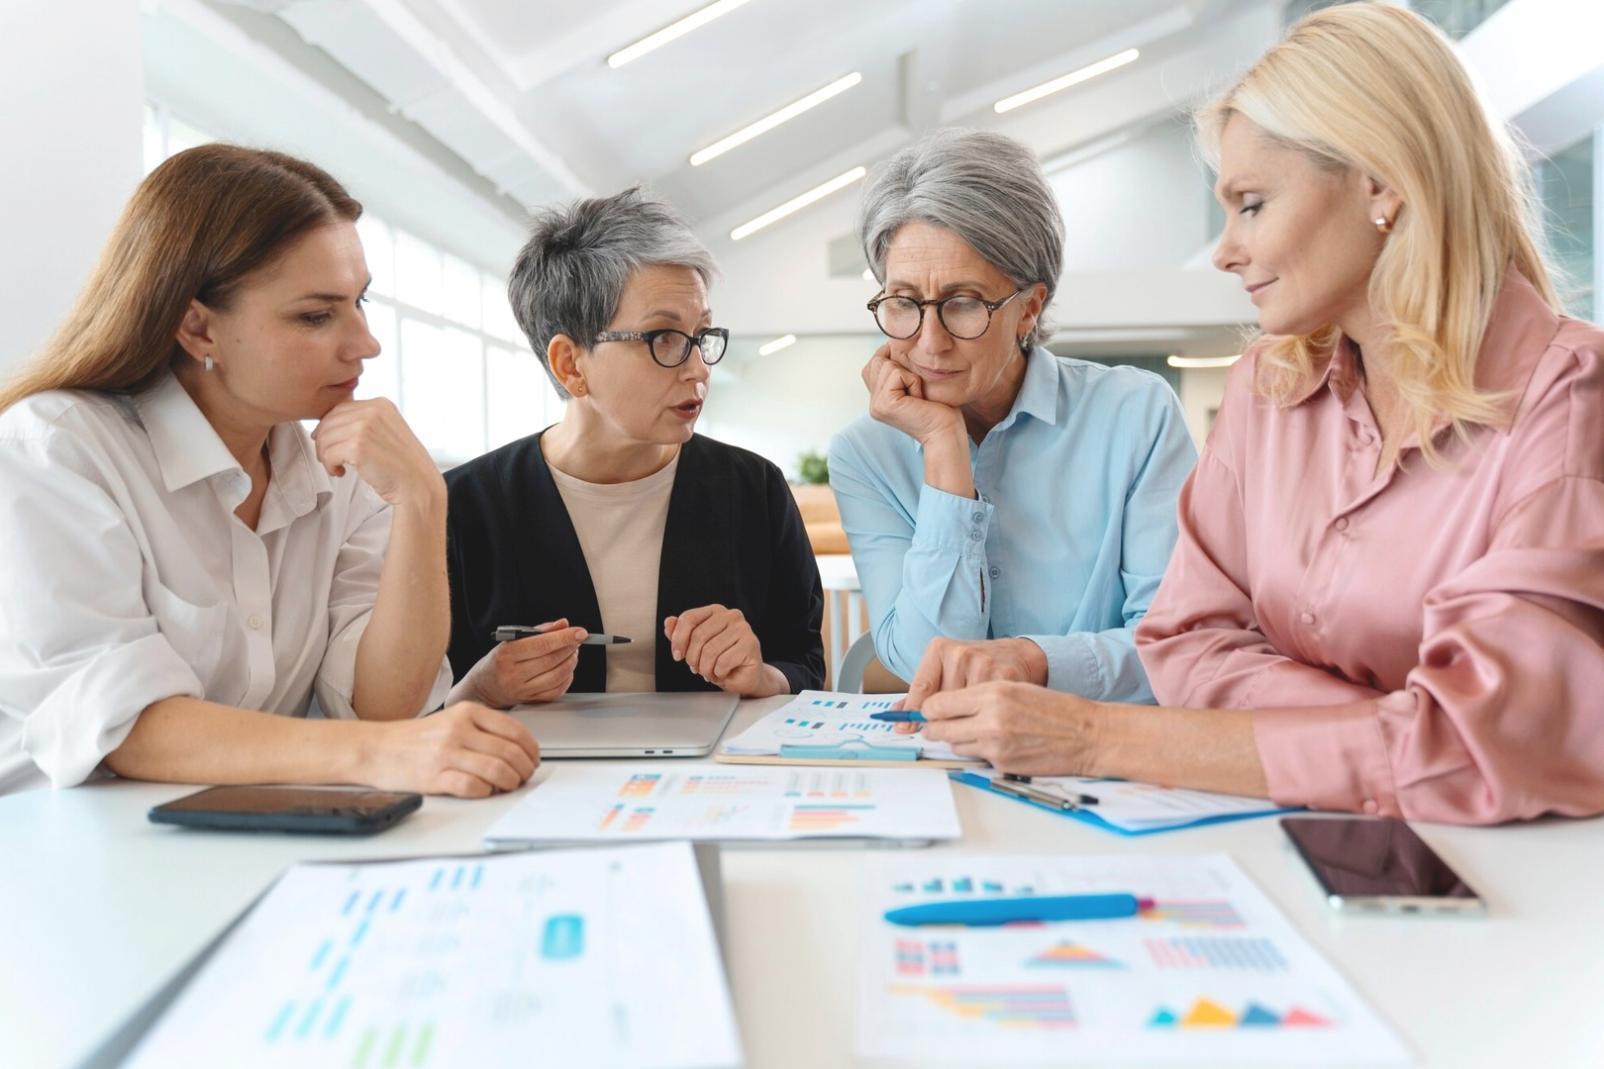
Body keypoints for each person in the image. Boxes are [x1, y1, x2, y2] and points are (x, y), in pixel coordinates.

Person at [895, 4, 1604, 825]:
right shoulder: (1269, 387)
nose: (1225, 247)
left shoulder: (1565, 393)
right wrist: (1386, 726)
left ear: (1381, 182)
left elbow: (1486, 742)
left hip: (1519, 882)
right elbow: (1182, 643)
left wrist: (1097, 736)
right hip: (1283, 827)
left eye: (1253, 203)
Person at [0, 145, 539, 797]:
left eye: (359, 302)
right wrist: (373, 754)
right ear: (197, 328)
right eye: (316, 315)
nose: (365, 343)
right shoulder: (57, 448)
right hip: (53, 845)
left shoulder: (341, 466)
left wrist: (423, 502)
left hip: (231, 837)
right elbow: (126, 724)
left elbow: (383, 703)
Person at [827, 129, 1196, 705]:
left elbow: (1176, 646)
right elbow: (925, 658)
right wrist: (943, 448)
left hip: (1107, 762)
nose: (929, 343)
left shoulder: (1136, 415)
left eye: (964, 302)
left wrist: (1032, 661)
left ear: (1030, 308)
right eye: (902, 302)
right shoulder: (864, 453)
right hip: (944, 766)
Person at [444, 188, 824, 705]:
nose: (698, 368)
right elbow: (415, 706)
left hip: (714, 779)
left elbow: (804, 662)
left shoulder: (752, 487)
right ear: (571, 365)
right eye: (662, 338)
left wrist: (762, 675)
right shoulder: (463, 506)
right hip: (531, 777)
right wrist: (479, 688)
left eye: (701, 334)